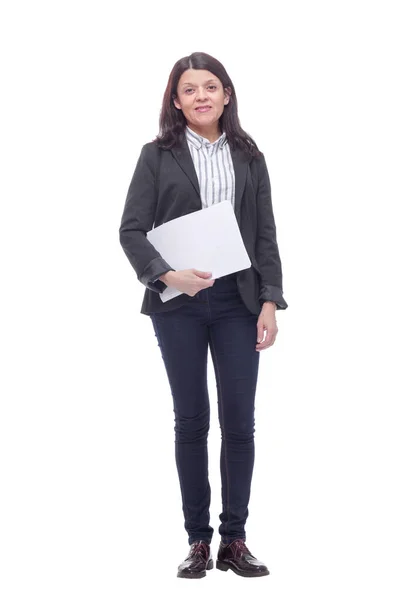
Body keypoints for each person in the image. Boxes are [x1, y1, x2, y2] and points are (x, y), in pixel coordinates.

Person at [119, 51, 288, 579]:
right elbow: (130, 230)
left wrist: (270, 300)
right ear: (176, 99)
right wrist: (167, 275)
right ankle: (197, 541)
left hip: (239, 304)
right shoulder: (156, 156)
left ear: (227, 94)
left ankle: (234, 540)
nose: (201, 96)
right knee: (191, 421)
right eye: (189, 89)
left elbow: (264, 233)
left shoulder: (249, 156)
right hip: (179, 308)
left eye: (210, 86)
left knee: (240, 423)